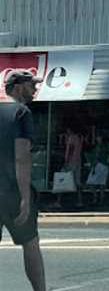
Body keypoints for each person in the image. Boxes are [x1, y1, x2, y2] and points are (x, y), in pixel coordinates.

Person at [1, 71, 47, 291]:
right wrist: (25, 198)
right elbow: (21, 156)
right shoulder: (21, 112)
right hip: (12, 192)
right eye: (32, 85)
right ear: (18, 87)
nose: (35, 89)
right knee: (30, 244)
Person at [63, 124, 85, 207]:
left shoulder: (71, 138)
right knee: (77, 182)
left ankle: (59, 201)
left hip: (71, 162)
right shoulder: (79, 138)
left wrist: (66, 162)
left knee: (63, 179)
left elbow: (70, 150)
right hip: (78, 161)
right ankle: (80, 201)